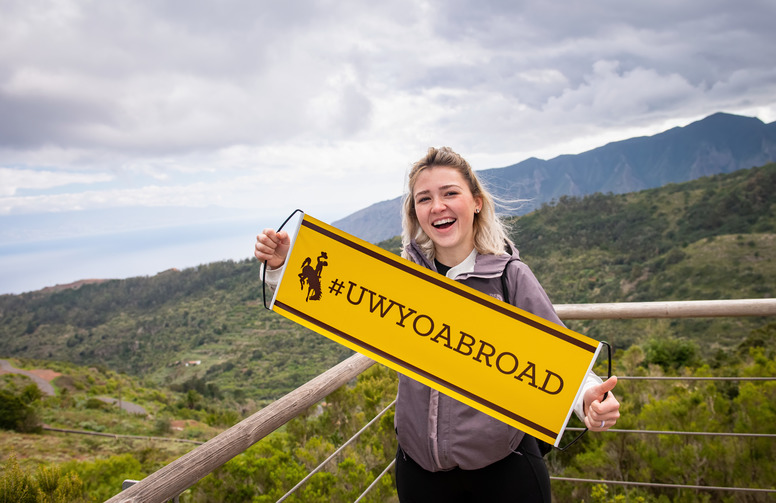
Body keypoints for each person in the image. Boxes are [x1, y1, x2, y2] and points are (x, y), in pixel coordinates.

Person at [255, 147, 621, 502]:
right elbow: (331, 298)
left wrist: (589, 399)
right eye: (424, 198)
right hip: (418, 473)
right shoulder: (400, 280)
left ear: (476, 201)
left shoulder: (511, 277)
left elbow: (560, 361)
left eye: (450, 193)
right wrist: (281, 266)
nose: (438, 206)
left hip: (503, 469)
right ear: (415, 213)